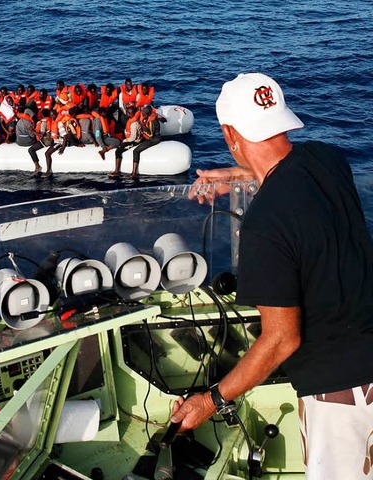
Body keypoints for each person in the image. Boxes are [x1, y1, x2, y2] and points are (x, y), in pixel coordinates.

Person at [175, 72, 373, 479]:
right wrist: (238, 176)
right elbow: (289, 170)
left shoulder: (265, 225)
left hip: (339, 392)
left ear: (230, 133)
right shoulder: (329, 159)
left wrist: (210, 401)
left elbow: (282, 339)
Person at [109, 106, 141, 177]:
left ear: (134, 113)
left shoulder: (134, 123)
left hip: (135, 141)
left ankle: (117, 171)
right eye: (127, 112)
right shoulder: (130, 120)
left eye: (130, 113)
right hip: (129, 138)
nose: (128, 114)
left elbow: (133, 138)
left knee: (118, 151)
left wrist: (124, 141)